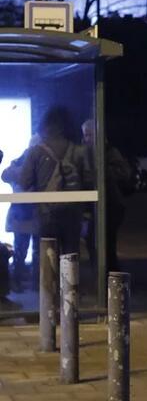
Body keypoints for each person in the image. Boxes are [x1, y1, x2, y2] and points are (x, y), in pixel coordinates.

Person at [17, 106, 91, 259]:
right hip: (72, 215)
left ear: (45, 126)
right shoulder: (79, 151)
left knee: (45, 258)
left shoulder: (35, 152)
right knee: (71, 256)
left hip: (46, 215)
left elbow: (24, 182)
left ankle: (47, 283)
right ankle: (70, 283)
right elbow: (89, 182)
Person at [81, 119, 133, 273]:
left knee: (106, 245)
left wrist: (102, 170)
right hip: (99, 205)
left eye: (90, 135)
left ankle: (110, 277)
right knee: (93, 241)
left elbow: (124, 173)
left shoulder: (109, 152)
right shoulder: (87, 153)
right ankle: (103, 274)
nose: (87, 139)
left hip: (111, 205)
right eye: (85, 136)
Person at [1, 136, 41, 290]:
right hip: (23, 212)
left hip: (31, 212)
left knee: (33, 250)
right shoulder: (22, 161)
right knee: (21, 250)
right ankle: (18, 282)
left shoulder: (32, 161)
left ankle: (34, 282)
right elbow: (6, 175)